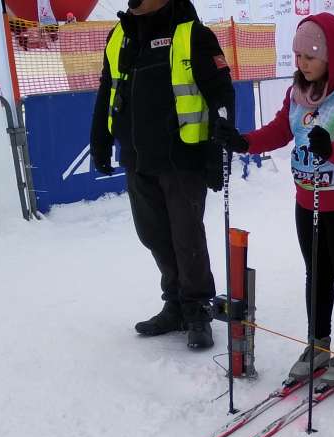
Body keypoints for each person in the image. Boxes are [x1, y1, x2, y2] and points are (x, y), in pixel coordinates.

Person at [213, 13, 334, 386]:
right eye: (298, 56)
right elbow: (279, 131)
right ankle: (317, 342)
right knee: (316, 274)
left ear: (332, 58)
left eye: (310, 57)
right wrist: (243, 142)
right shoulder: (296, 94)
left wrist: (330, 148)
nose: (301, 64)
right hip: (309, 200)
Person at [90, 0, 234, 349]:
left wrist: (217, 151)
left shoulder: (193, 36)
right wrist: (100, 140)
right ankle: (175, 303)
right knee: (152, 234)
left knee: (186, 236)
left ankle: (197, 307)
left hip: (182, 158)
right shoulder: (118, 37)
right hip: (137, 158)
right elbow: (107, 90)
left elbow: (222, 95)